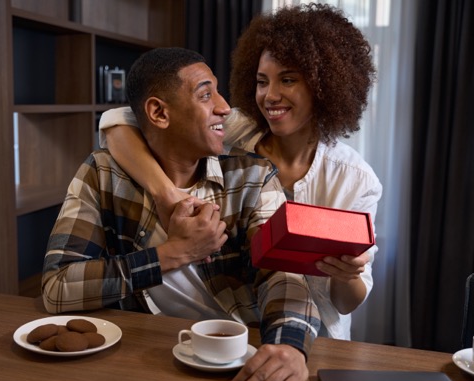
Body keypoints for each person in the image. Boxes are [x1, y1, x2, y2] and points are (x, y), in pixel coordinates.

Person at [42, 47, 320, 381]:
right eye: (206, 94)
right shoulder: (104, 174)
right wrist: (170, 255)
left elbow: (282, 274)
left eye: (219, 91)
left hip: (235, 364)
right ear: (158, 113)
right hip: (139, 360)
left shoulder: (252, 178)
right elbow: (56, 287)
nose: (224, 107)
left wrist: (289, 346)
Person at [98, 3, 382, 341]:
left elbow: (346, 303)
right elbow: (118, 121)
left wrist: (347, 275)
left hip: (319, 340)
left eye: (288, 80)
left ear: (324, 85)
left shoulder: (354, 179)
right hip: (240, 330)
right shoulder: (234, 131)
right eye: (262, 82)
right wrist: (165, 193)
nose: (270, 95)